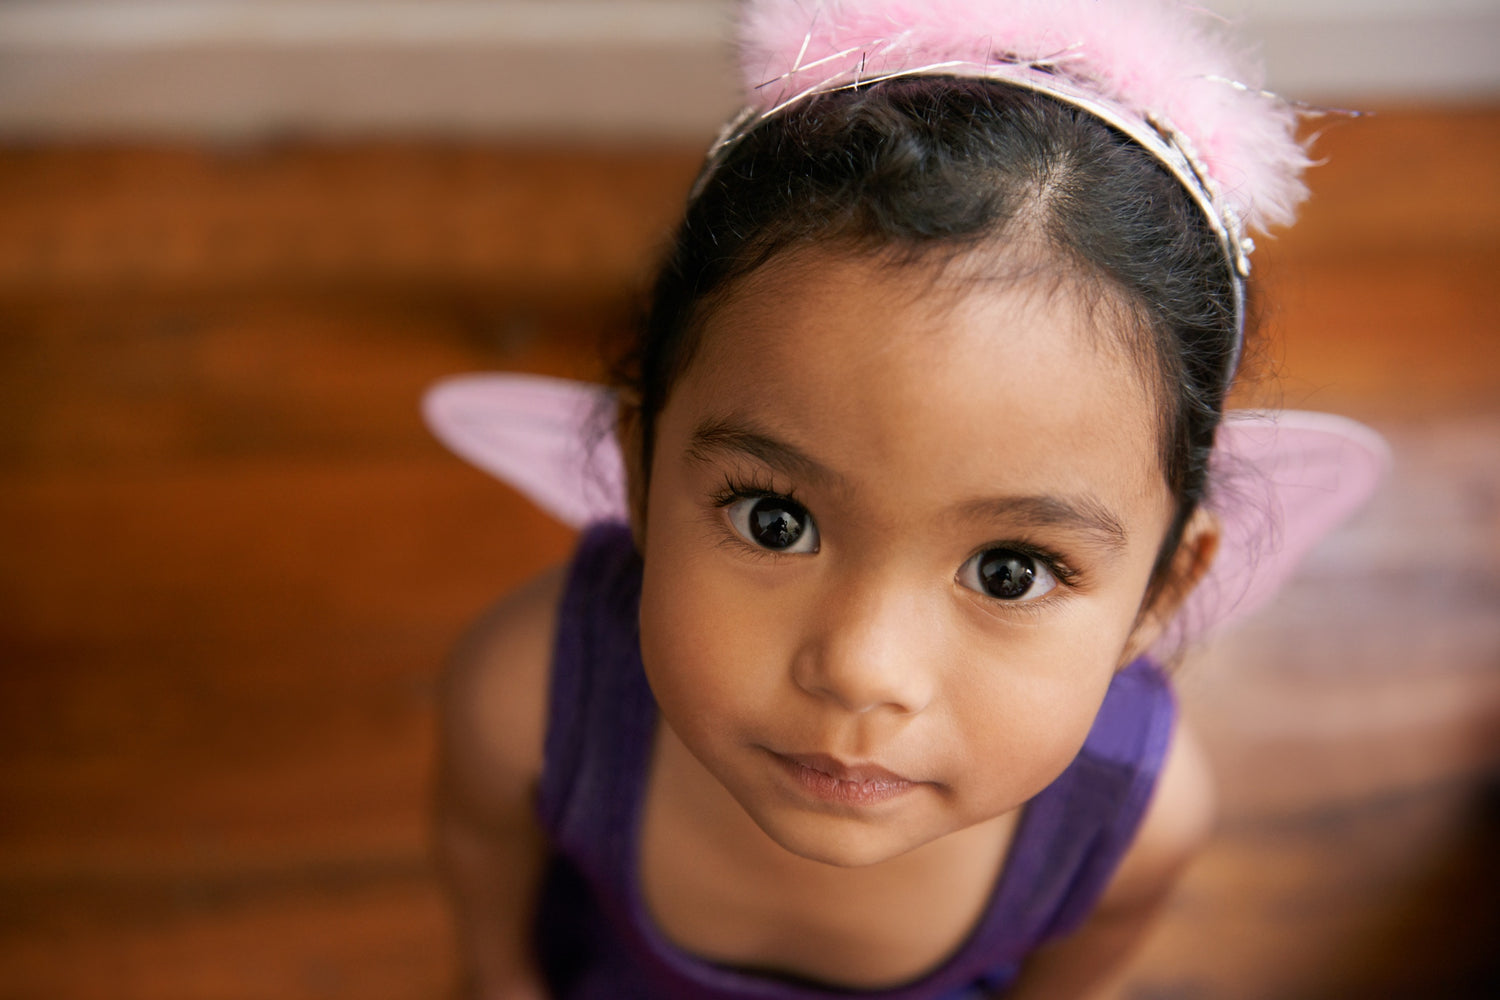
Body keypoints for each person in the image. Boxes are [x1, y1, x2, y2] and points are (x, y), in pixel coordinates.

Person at [427, 2, 1383, 996]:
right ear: (638, 462)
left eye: (1009, 572)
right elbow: (484, 872)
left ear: (1159, 591)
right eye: (776, 520)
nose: (860, 670)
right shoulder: (526, 694)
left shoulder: (1139, 818)